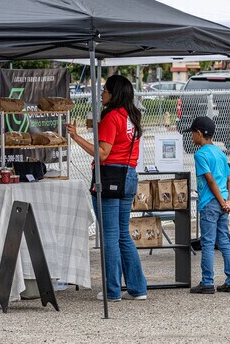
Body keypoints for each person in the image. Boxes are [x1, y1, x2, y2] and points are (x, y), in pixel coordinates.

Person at [66, 75, 147, 302]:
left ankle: (113, 291)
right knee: (123, 234)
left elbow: (102, 153)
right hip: (129, 175)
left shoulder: (112, 116)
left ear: (114, 93)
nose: (101, 94)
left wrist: (76, 137)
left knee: (110, 235)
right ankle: (138, 287)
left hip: (110, 175)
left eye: (104, 90)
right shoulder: (133, 115)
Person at [183, 116, 230, 294]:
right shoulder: (220, 153)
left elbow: (210, 180)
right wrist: (228, 201)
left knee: (207, 243)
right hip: (222, 204)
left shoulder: (200, 154)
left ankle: (207, 281)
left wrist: (222, 202)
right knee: (223, 241)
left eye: (192, 133)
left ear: (199, 133)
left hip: (210, 203)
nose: (191, 136)